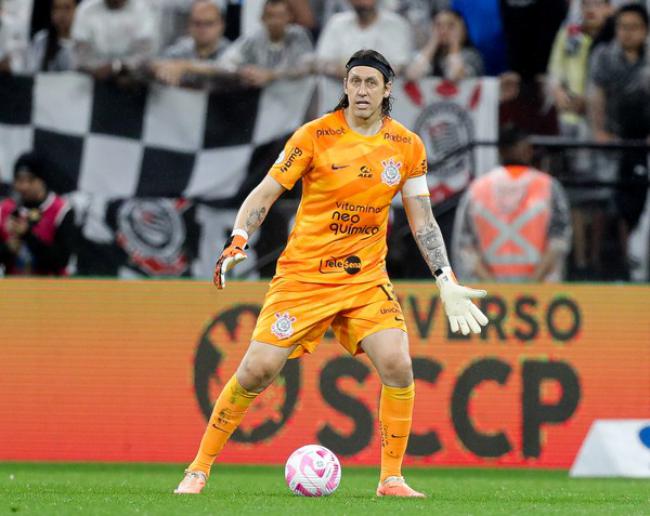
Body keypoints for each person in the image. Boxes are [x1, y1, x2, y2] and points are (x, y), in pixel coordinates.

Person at [174, 49, 488, 497]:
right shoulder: (315, 135)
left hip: (364, 280)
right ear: (345, 86)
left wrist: (445, 277)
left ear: (387, 89)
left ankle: (391, 479)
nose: (362, 90)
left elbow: (422, 219)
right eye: (354, 81)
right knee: (258, 369)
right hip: (304, 276)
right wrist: (239, 238)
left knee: (398, 364)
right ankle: (198, 469)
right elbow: (265, 192)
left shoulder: (407, 146)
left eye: (371, 82)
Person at [452, 125, 572, 282]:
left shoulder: (476, 189)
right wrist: (531, 285)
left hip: (489, 292)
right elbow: (559, 240)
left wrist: (495, 288)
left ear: (501, 151)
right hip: (539, 291)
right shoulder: (549, 186)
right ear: (528, 150)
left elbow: (465, 247)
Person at [547, 0, 612, 278]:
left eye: (596, 4)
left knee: (602, 193)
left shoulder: (614, 37)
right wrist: (560, 93)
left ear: (609, 8)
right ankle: (580, 259)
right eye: (585, 4)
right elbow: (554, 74)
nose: (590, 10)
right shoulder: (569, 34)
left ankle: (597, 258)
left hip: (604, 124)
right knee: (575, 193)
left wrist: (593, 104)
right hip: (571, 123)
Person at [588, 3, 650, 277]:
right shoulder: (604, 56)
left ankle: (636, 265)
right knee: (606, 200)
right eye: (623, 27)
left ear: (645, 30)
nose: (628, 32)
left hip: (644, 141)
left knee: (638, 203)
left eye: (634, 27)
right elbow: (596, 95)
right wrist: (599, 130)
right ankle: (597, 263)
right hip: (612, 138)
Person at [0, 152, 75, 276]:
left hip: (49, 286)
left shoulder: (61, 210)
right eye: (19, 180)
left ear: (42, 180)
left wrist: (27, 236)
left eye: (30, 180)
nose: (24, 186)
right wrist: (7, 248)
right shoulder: (5, 209)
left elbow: (61, 261)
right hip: (13, 285)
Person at [218, 0, 314, 88]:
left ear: (290, 17)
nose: (275, 21)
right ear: (262, 18)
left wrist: (272, 75)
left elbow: (309, 67)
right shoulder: (253, 39)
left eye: (280, 16)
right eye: (270, 16)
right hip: (264, 95)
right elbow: (225, 62)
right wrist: (243, 71)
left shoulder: (298, 36)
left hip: (295, 92)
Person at [315, 0, 413, 78]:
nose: (363, 2)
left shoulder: (396, 25)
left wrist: (353, 72)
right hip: (339, 94)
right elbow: (322, 61)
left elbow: (399, 66)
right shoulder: (337, 22)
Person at [151, 0, 231, 88]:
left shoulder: (230, 51)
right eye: (197, 23)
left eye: (209, 23)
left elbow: (230, 70)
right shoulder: (181, 48)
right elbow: (154, 63)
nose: (202, 29)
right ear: (189, 25)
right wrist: (163, 67)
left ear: (221, 25)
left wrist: (185, 67)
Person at [71, 0, 156, 80]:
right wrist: (100, 69)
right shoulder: (86, 9)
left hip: (133, 79)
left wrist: (118, 67)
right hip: (93, 78)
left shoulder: (142, 9)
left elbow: (145, 53)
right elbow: (81, 54)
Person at [405, 8, 484, 82]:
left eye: (451, 26)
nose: (444, 30)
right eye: (438, 25)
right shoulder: (427, 55)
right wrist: (432, 44)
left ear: (463, 30)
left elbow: (455, 75)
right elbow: (412, 75)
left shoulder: (472, 56)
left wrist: (454, 46)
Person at [27, 0, 77, 72]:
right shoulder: (41, 40)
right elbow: (32, 70)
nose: (62, 14)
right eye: (56, 8)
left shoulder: (83, 41)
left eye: (67, 8)